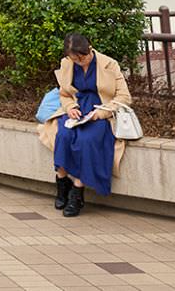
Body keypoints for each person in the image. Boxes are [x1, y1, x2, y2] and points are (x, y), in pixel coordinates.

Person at [38, 34, 133, 217]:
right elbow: (64, 94)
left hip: (101, 112)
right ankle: (62, 182)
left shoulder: (109, 64)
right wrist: (70, 107)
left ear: (89, 49)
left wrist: (101, 113)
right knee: (63, 135)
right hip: (77, 111)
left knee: (87, 140)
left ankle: (77, 191)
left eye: (82, 58)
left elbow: (124, 97)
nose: (79, 62)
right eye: (74, 59)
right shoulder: (67, 64)